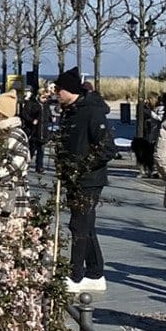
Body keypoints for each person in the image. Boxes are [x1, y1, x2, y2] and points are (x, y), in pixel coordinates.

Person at [55, 66, 115, 294]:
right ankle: (95, 272)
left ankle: (76, 275)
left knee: (78, 225)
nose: (55, 93)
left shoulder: (91, 112)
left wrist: (81, 167)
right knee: (86, 225)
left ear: (69, 90)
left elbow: (107, 148)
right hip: (73, 178)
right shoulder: (69, 112)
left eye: (59, 89)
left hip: (88, 179)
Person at [20, 85, 50, 175]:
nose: (45, 99)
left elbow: (47, 113)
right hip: (33, 131)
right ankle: (26, 166)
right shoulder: (31, 103)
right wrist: (32, 120)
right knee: (31, 150)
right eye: (43, 97)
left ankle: (39, 167)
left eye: (46, 97)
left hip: (43, 130)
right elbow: (24, 114)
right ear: (38, 95)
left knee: (41, 150)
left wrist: (51, 117)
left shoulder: (45, 105)